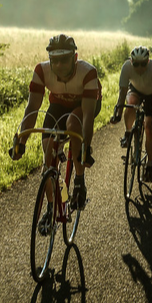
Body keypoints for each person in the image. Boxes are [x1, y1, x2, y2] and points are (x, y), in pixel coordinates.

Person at [10, 33, 101, 223]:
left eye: (64, 59)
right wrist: (22, 141)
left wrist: (86, 147)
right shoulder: (41, 71)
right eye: (54, 60)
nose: (59, 65)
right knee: (48, 153)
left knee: (73, 124)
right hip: (58, 106)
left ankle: (79, 181)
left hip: (84, 106)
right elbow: (32, 108)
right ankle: (52, 207)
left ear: (75, 58)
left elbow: (87, 116)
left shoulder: (88, 73)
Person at [110, 46, 152, 183]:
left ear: (148, 61)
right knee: (131, 103)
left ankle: (149, 165)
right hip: (135, 90)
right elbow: (122, 92)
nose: (139, 68)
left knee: (149, 127)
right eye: (136, 64)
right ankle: (128, 133)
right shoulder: (126, 67)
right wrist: (118, 114)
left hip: (151, 95)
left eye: (143, 64)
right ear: (131, 61)